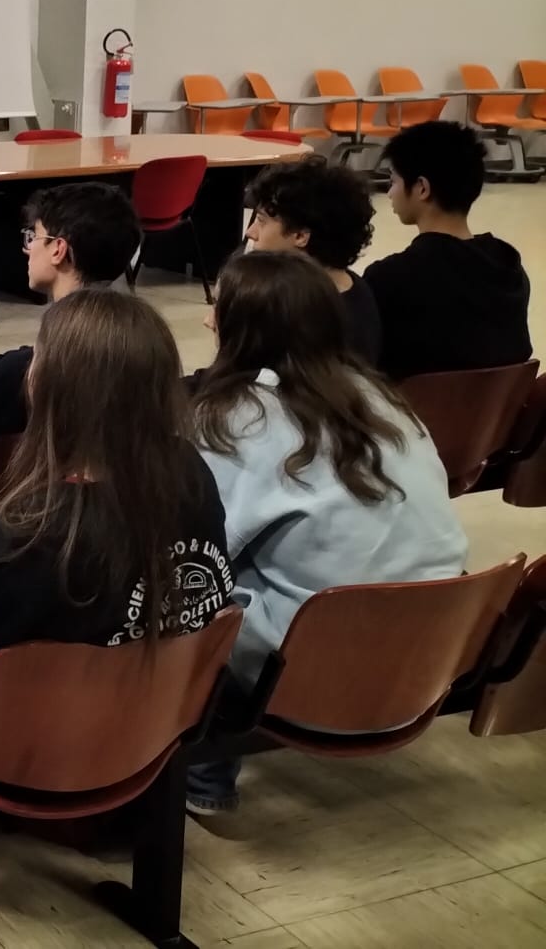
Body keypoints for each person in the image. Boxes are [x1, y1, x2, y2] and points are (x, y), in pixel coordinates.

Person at [0, 289, 234, 864]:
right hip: (149, 716)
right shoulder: (189, 473)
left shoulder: (31, 533)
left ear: (51, 388)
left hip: (35, 743)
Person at [186, 250, 464, 814]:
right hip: (433, 659)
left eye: (219, 307)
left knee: (186, 576)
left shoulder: (239, 419)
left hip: (318, 675)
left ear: (243, 328)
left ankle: (203, 773)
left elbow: (200, 543)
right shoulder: (385, 399)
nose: (208, 318)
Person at [0, 181, 142, 531]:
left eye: (34, 237)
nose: (27, 247)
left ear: (58, 249)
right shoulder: (138, 359)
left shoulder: (24, 375)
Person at [365, 120, 531, 379]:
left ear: (422, 188)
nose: (389, 193)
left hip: (411, 406)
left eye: (393, 181)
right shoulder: (510, 268)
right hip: (498, 405)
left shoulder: (389, 278)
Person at [242, 156, 382, 364]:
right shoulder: (354, 290)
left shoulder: (303, 319)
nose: (250, 232)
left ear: (300, 236)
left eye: (262, 221)